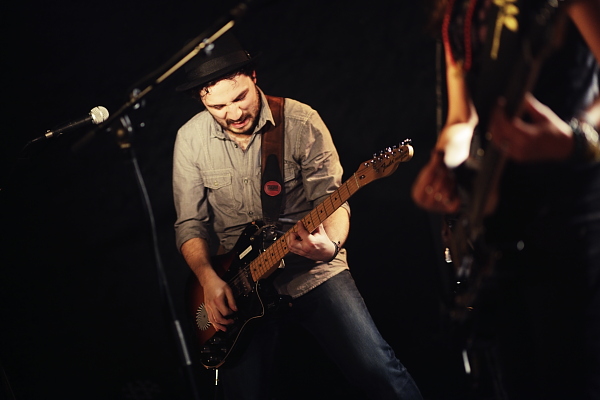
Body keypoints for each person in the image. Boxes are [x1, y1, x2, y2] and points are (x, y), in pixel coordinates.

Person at [172, 32, 423, 400]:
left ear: (254, 76)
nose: (234, 113)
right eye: (219, 107)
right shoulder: (190, 139)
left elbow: (333, 199)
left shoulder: (301, 121)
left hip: (311, 269)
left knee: (377, 370)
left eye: (240, 98)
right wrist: (208, 280)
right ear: (201, 98)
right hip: (237, 285)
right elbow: (189, 224)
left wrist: (330, 245)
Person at [412, 0, 600, 399]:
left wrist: (575, 139)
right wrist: (444, 163)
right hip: (500, 232)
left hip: (569, 219)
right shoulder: (458, 12)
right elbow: (461, 119)